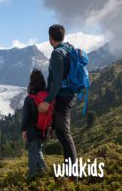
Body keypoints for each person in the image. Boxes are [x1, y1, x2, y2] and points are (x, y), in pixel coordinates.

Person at [38, 25, 77, 181]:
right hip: (68, 95)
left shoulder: (57, 54)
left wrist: (47, 101)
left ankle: (73, 176)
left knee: (65, 135)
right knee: (62, 134)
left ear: (50, 38)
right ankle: (70, 173)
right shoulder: (68, 49)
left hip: (63, 97)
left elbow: (57, 83)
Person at [22, 69, 48, 180]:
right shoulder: (47, 97)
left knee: (32, 151)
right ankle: (43, 171)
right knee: (38, 149)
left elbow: (25, 117)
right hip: (43, 128)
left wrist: (23, 130)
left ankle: (32, 175)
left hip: (32, 129)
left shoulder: (29, 99)